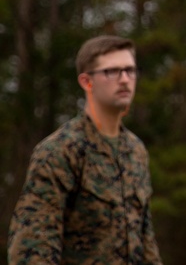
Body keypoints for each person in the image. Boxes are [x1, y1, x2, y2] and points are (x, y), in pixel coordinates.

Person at [7, 35, 162, 264]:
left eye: (130, 70)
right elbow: (31, 249)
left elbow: (146, 239)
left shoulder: (135, 151)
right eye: (112, 71)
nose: (125, 79)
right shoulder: (60, 151)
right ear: (86, 82)